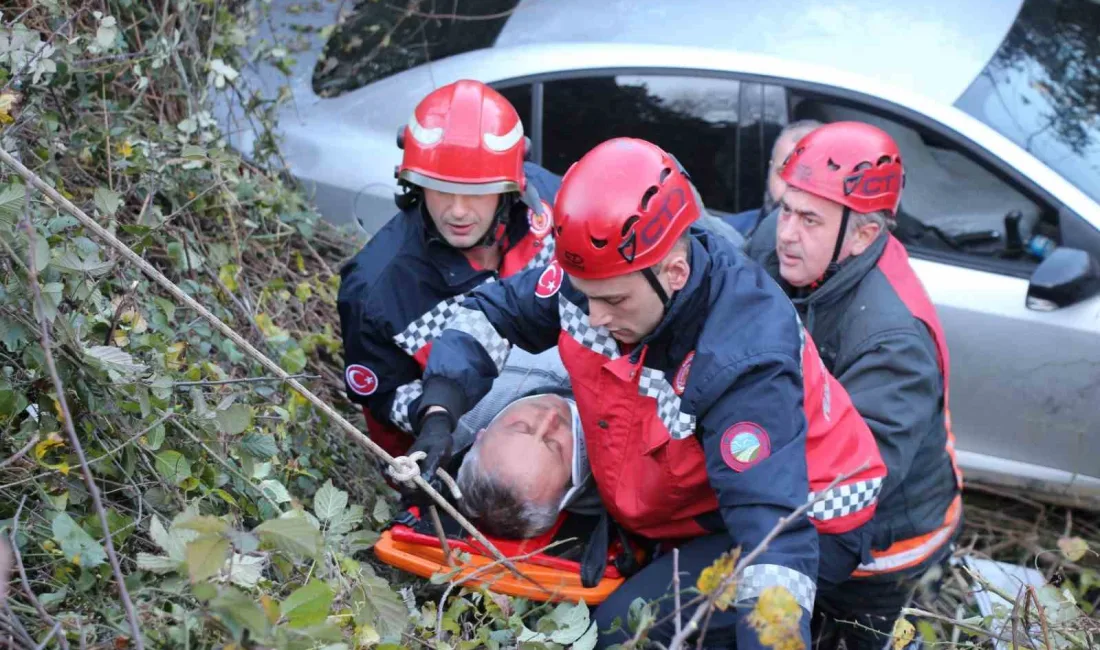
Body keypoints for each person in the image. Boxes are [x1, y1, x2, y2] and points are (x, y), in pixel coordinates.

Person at [405, 137, 887, 649]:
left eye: (612, 301)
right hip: (702, 499)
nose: (593, 319)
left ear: (675, 273)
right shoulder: (599, 273)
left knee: (620, 632)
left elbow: (772, 538)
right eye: (585, 296)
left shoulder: (742, 361)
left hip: (806, 516)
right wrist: (439, 412)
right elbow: (488, 315)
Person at [745, 121, 963, 650]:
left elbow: (859, 480)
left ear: (864, 234)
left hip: (886, 551)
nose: (787, 232)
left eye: (810, 220)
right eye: (787, 210)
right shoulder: (791, 251)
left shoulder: (892, 339)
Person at [337, 79, 561, 461]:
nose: (457, 211)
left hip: (572, 419)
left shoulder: (551, 208)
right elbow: (383, 394)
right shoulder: (376, 289)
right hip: (466, 449)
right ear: (414, 184)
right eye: (440, 188)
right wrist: (433, 425)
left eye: (476, 192)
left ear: (510, 187)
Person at [724, 120, 822, 237]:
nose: (791, 189)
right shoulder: (727, 235)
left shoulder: (840, 248)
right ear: (770, 169)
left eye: (806, 177)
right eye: (783, 173)